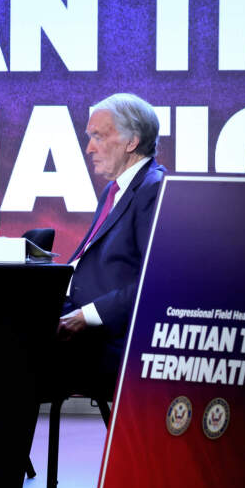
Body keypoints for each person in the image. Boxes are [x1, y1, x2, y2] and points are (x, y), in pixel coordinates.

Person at [54, 92, 166, 395]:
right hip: (73, 314)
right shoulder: (114, 190)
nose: (89, 148)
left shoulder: (154, 189)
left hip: (108, 337)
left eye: (98, 137)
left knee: (4, 354)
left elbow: (155, 282)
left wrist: (85, 317)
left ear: (131, 142)